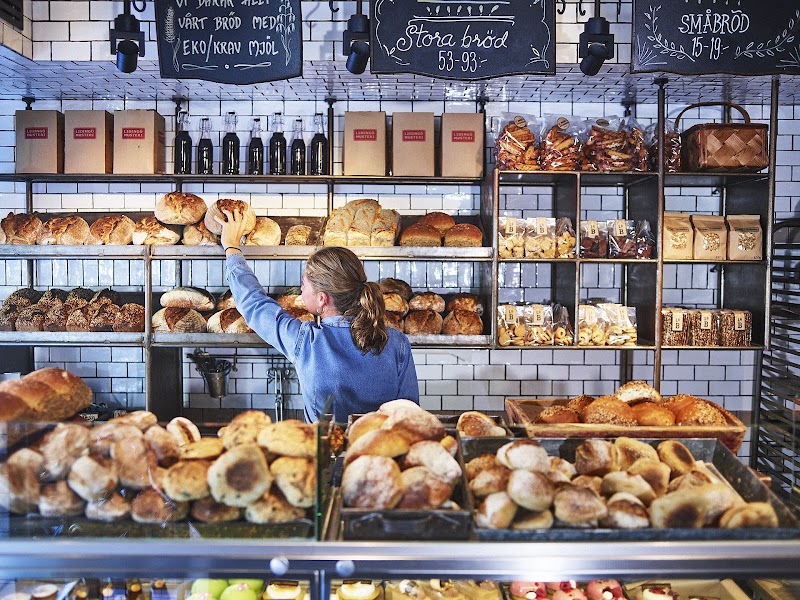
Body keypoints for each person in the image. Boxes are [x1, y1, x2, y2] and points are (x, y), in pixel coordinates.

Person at [217, 208, 419, 422]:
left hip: (325, 453)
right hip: (381, 453)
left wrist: (231, 247)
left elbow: (254, 303)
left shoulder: (307, 341)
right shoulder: (397, 342)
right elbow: (410, 415)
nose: (301, 290)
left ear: (322, 299)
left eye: (303, 284)